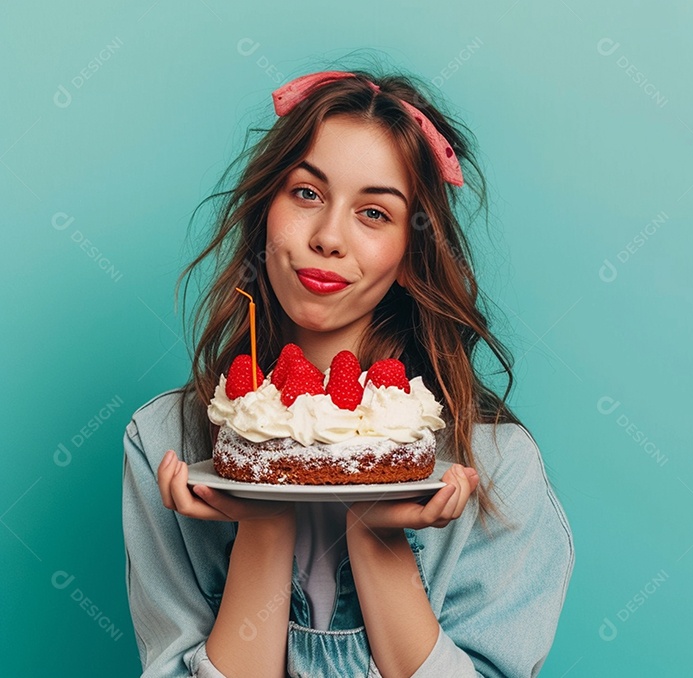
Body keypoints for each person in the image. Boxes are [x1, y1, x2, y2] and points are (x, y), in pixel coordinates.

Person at [121, 68, 575, 677]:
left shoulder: (494, 466)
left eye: (374, 213)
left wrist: (375, 528)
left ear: (412, 254)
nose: (329, 237)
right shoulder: (164, 443)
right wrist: (265, 515)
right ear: (265, 213)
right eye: (306, 193)